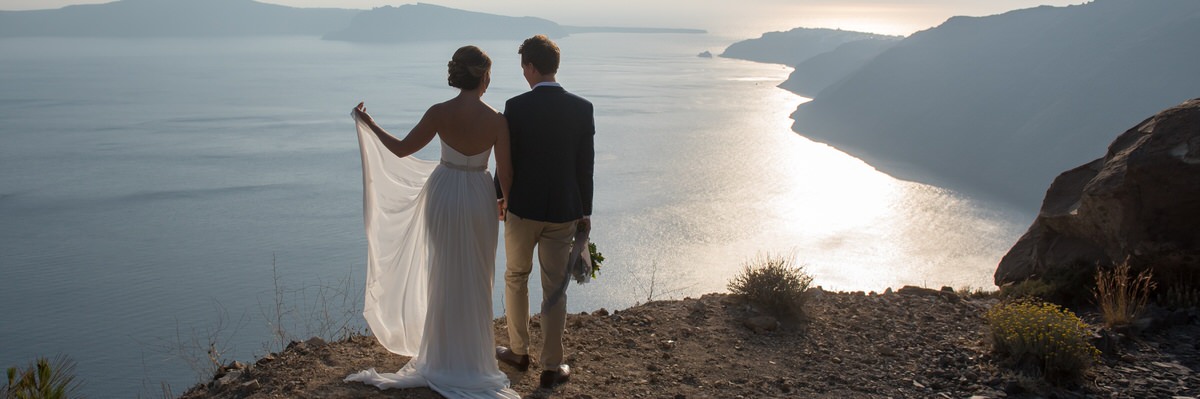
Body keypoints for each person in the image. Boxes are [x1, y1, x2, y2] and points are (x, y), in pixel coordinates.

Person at [344, 45, 520, 399]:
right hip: (478, 196)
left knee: (442, 273)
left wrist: (369, 123)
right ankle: (472, 359)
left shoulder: (439, 112)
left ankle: (441, 356)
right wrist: (504, 203)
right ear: (484, 76)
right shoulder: (497, 120)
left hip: (442, 192)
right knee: (476, 277)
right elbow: (508, 174)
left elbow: (400, 149)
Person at [494, 34, 595, 390]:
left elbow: (506, 160)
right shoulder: (582, 108)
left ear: (532, 67)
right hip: (563, 212)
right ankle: (551, 366)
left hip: (522, 208)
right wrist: (585, 210)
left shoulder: (516, 106)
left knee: (515, 277)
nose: (523, 72)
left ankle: (519, 352)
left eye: (524, 66)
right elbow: (585, 166)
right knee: (555, 290)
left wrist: (499, 197)